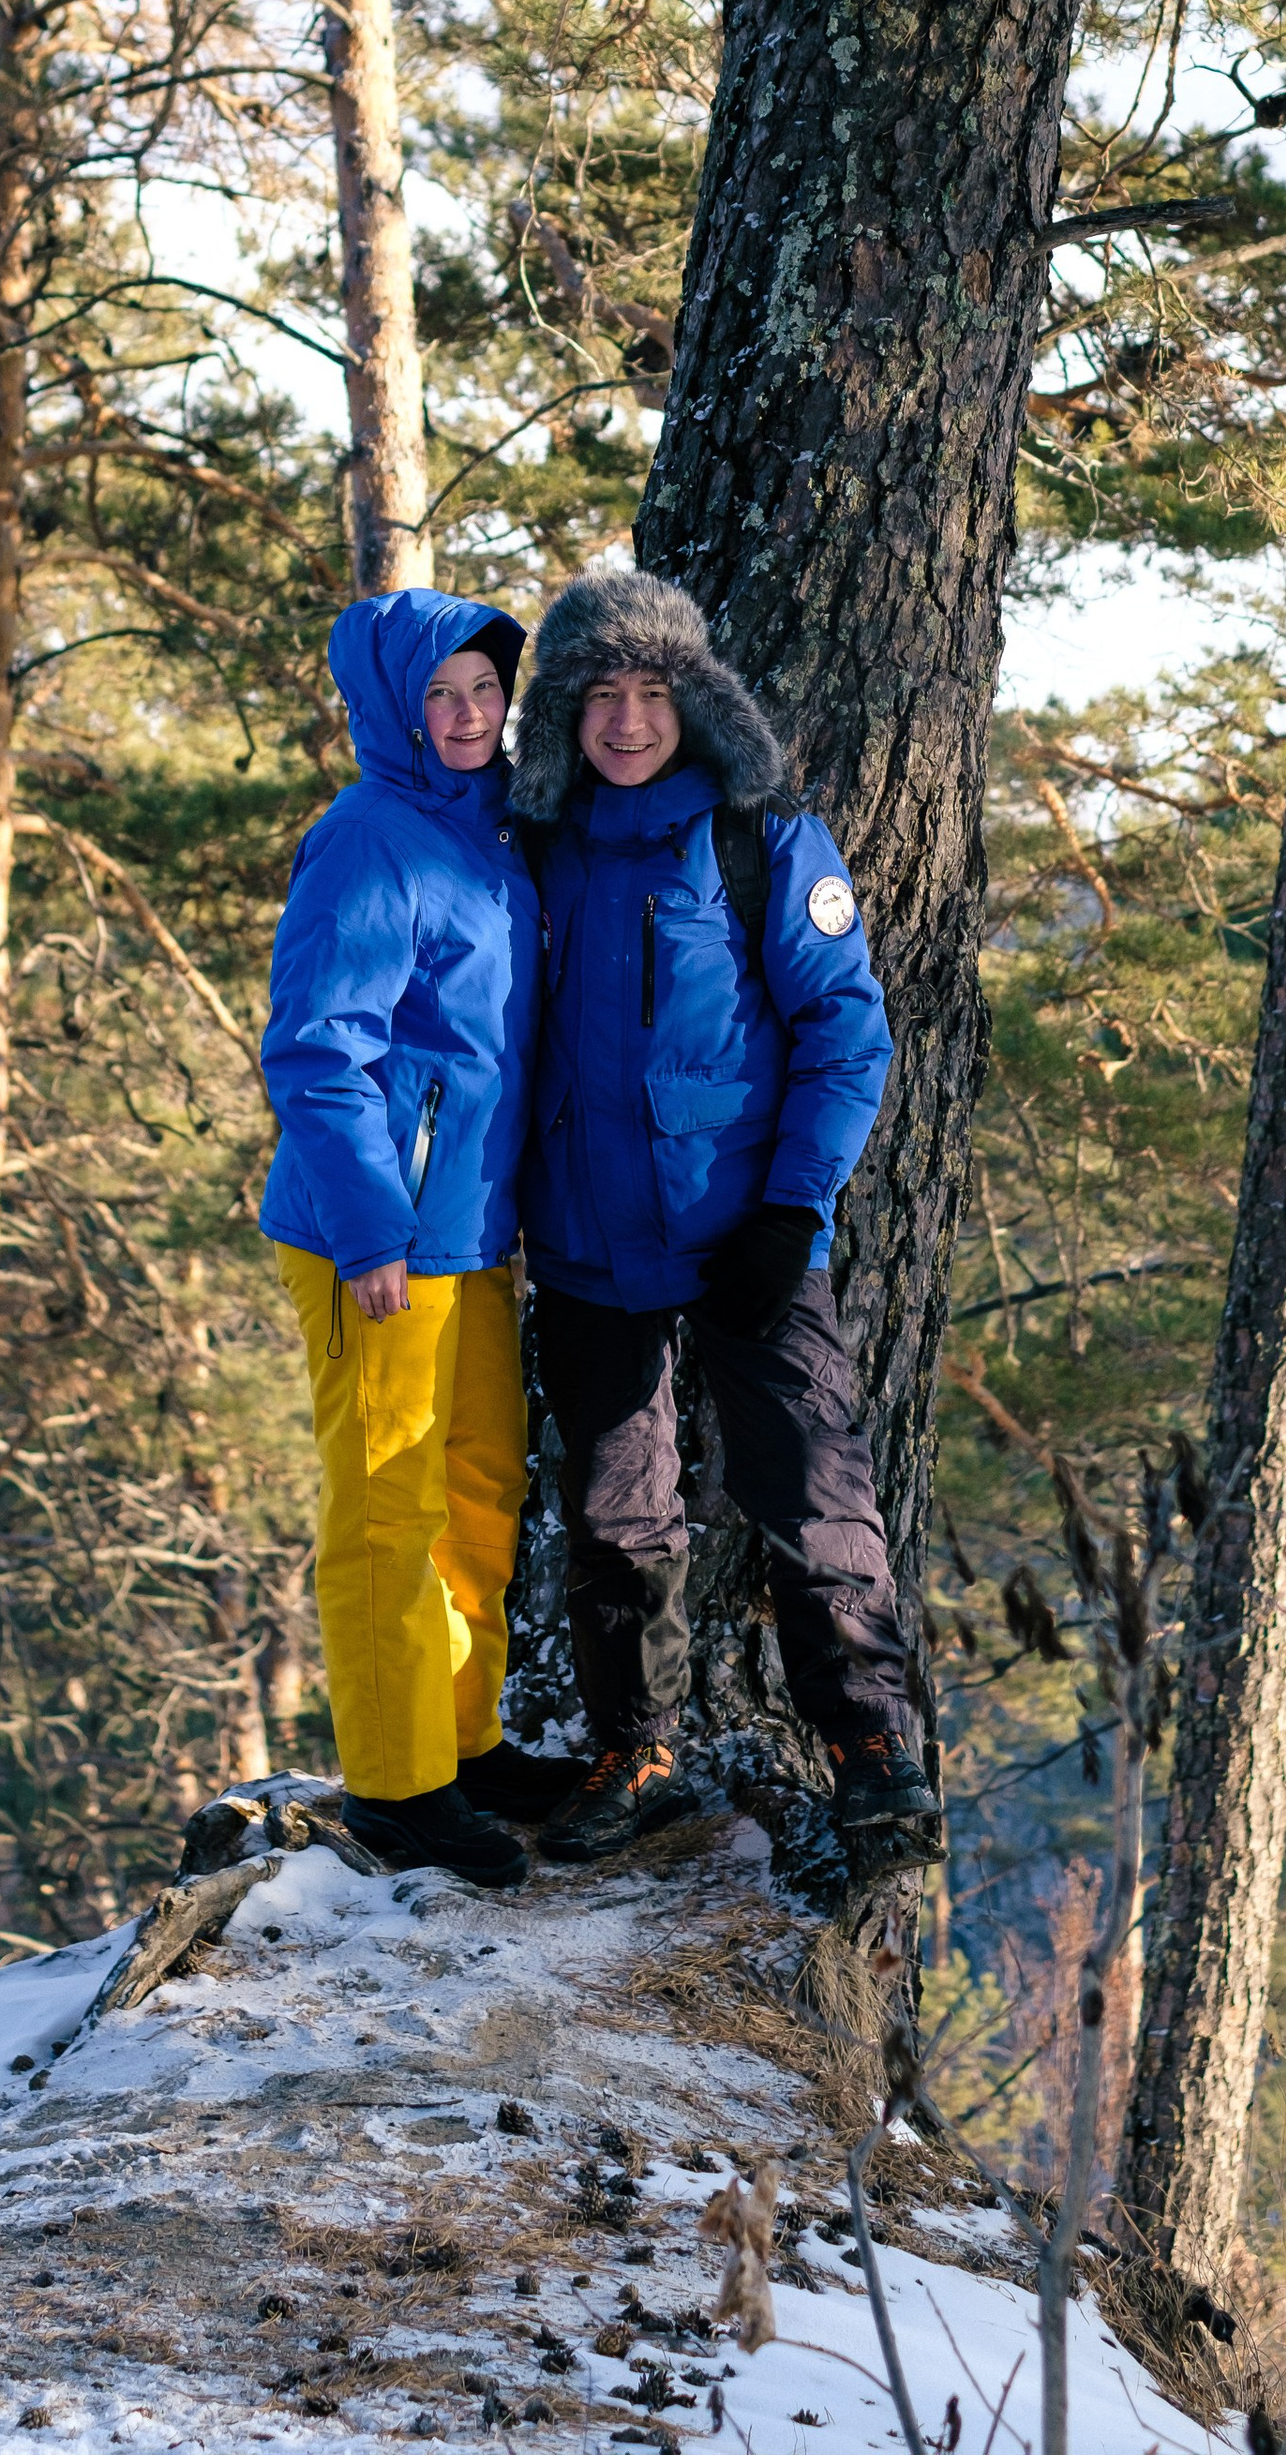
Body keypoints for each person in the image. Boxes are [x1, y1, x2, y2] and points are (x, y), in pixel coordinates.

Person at [511, 564, 942, 1867]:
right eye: (600, 697)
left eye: (653, 693)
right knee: (612, 1517)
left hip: (748, 1238)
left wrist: (790, 1210)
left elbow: (846, 1037)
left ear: (696, 704)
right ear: (564, 717)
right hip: (586, 1244)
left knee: (814, 1499)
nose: (627, 722)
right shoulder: (535, 845)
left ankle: (875, 1755)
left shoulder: (761, 840)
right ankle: (636, 1748)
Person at [260, 587, 580, 1889]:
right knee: (388, 1507)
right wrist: (370, 1229)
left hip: (473, 1229)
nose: (465, 716)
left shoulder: (495, 828)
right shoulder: (366, 841)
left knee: (480, 1489)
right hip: (377, 1236)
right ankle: (397, 1788)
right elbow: (317, 1048)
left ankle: (466, 1740)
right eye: (440, 696)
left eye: (484, 692)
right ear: (395, 706)